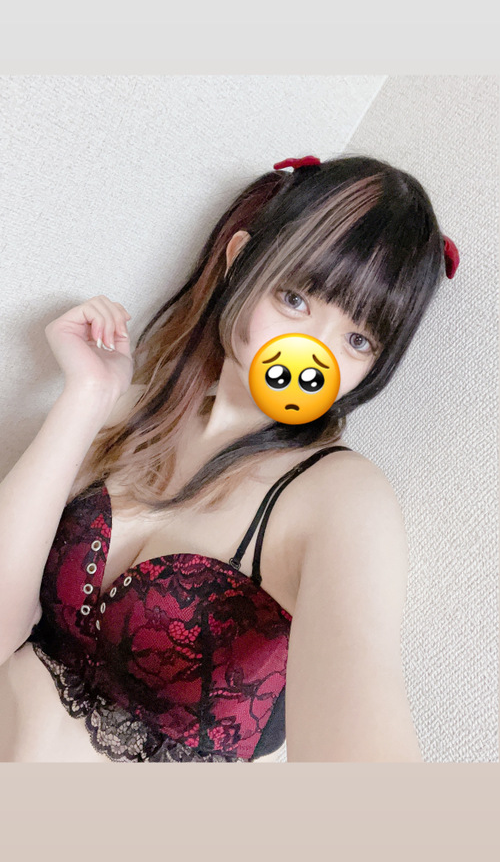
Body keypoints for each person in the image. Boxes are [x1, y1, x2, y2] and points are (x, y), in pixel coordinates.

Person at [0, 153, 459, 763]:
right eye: (295, 299)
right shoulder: (124, 413)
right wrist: (87, 395)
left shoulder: (341, 499)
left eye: (357, 339)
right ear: (240, 259)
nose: (311, 351)